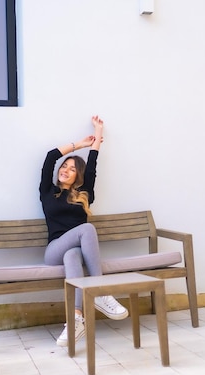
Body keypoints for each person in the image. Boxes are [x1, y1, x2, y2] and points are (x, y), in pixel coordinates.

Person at [39, 115, 128, 347]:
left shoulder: (85, 194)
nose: (66, 171)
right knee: (86, 228)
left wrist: (99, 134)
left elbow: (94, 163)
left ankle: (75, 319)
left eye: (72, 169)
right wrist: (79, 144)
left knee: (74, 256)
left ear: (78, 176)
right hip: (53, 251)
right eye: (64, 167)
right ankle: (99, 290)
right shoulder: (47, 191)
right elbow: (51, 157)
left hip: (72, 252)